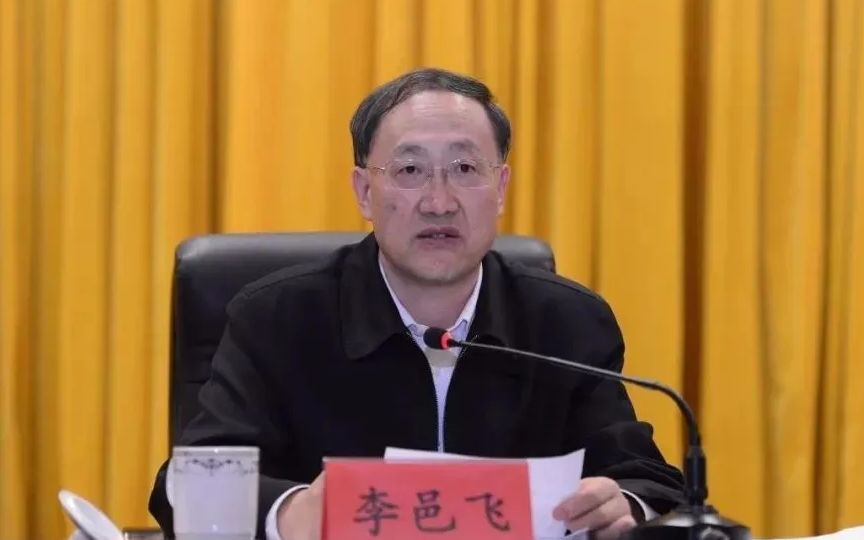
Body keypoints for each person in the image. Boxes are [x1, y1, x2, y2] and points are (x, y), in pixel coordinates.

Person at [149, 67, 683, 540]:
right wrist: (290, 514)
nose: (439, 202)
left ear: (500, 188)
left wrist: (623, 505)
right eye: (409, 171)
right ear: (364, 192)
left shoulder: (566, 322)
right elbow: (183, 486)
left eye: (465, 169)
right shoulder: (277, 318)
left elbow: (648, 480)